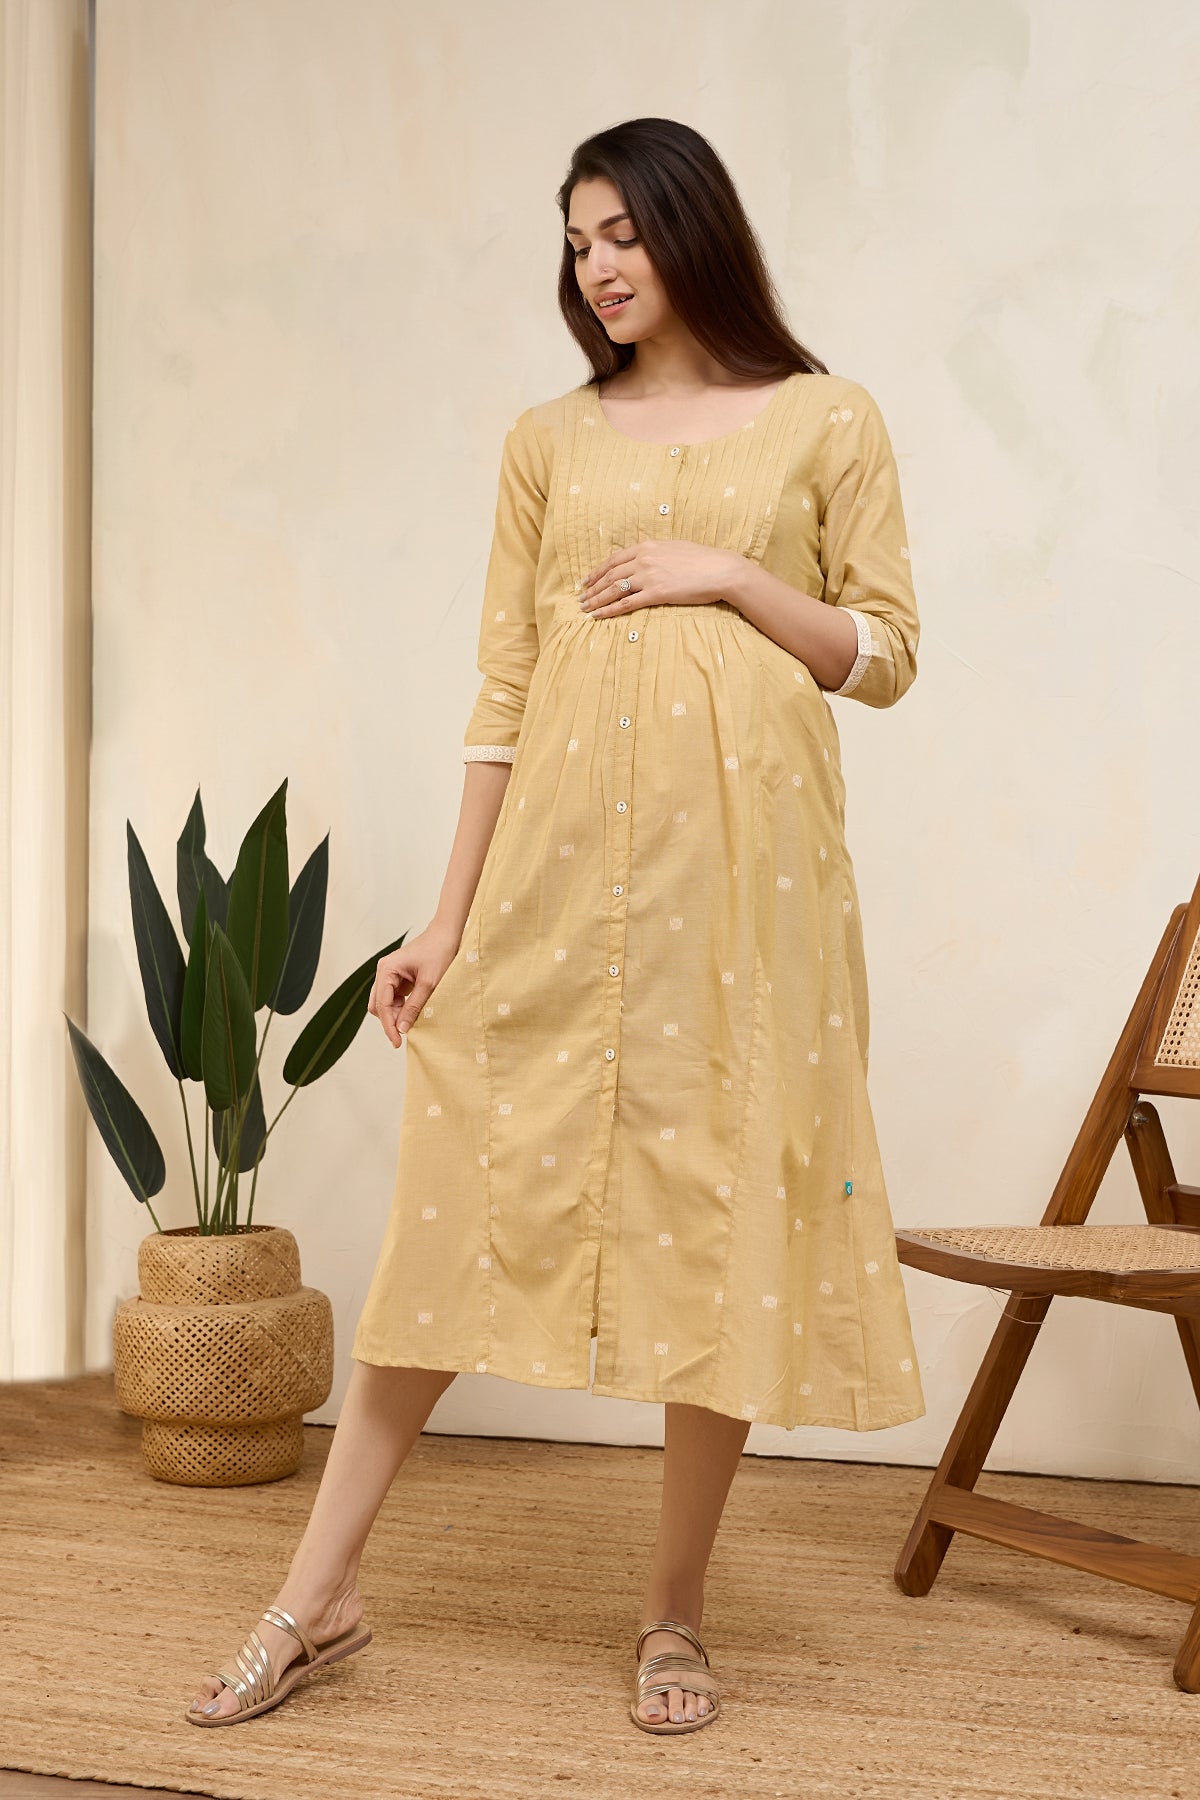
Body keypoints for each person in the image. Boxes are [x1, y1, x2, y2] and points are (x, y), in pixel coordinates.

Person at [187, 115, 925, 1738]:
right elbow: (504, 693)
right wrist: (446, 922)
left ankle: (674, 1612)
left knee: (718, 1224)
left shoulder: (829, 418)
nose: (595, 266)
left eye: (621, 234)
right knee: (454, 1212)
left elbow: (883, 656)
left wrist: (733, 573)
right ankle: (314, 1599)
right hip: (555, 889)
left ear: (691, 227)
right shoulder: (547, 441)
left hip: (745, 908)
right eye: (578, 240)